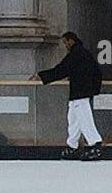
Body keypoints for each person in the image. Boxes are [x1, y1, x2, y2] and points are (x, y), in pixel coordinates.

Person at [37, 32, 104, 160]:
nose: (65, 45)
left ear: (71, 41)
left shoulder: (76, 54)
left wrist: (42, 76)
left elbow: (62, 69)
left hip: (80, 92)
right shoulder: (82, 53)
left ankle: (94, 143)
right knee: (74, 119)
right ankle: (72, 145)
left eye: (65, 42)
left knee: (85, 119)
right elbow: (96, 71)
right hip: (80, 92)